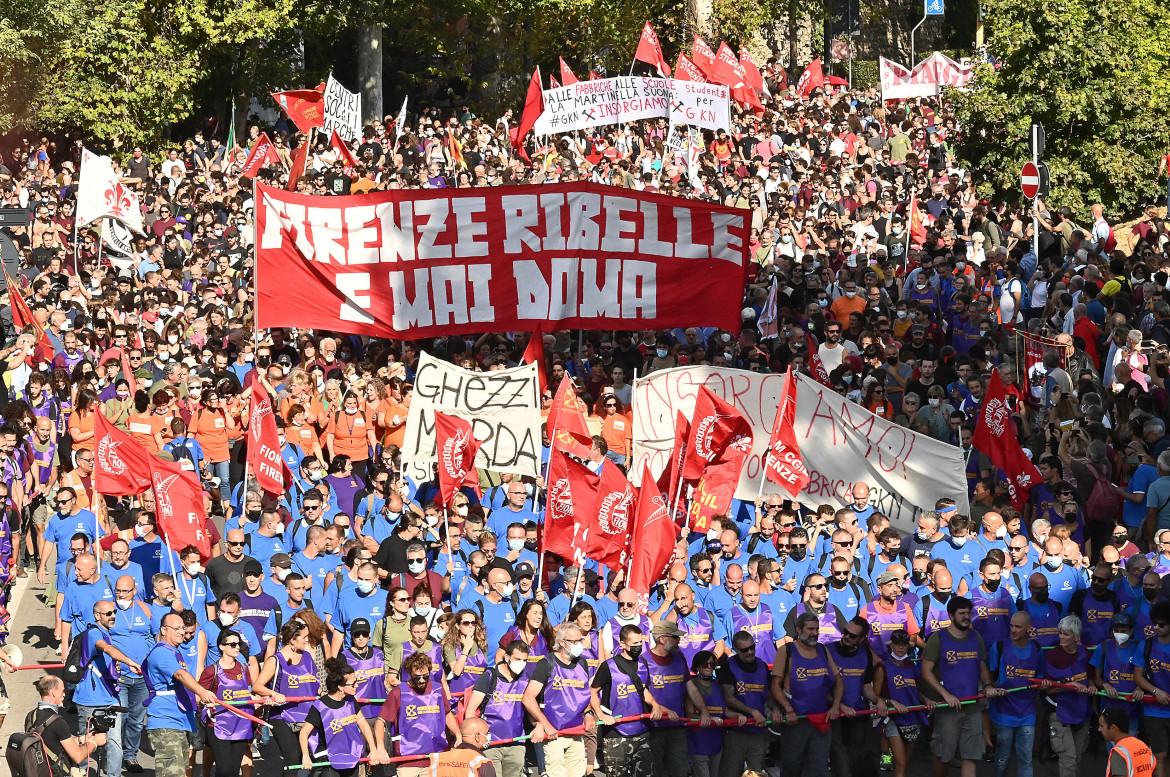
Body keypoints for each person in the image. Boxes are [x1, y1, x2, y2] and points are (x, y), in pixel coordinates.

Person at [920, 596, 1003, 777]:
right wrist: (946, 695)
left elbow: (981, 665)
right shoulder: (938, 638)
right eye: (962, 613)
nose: (966, 616)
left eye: (968, 613)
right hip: (947, 710)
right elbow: (926, 672)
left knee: (970, 756)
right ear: (951, 615)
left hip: (972, 708)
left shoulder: (976, 636)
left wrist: (988, 685)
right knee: (944, 757)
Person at [589, 624, 673, 777]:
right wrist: (600, 715)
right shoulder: (608, 666)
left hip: (642, 732)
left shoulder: (643, 664)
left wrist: (655, 705)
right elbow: (593, 691)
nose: (638, 646)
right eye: (634, 644)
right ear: (622, 644)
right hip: (616, 734)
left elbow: (643, 689)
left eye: (640, 642)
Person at [142, 612, 218, 777]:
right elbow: (181, 675)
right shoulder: (161, 652)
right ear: (163, 630)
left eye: (182, 628)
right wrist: (202, 691)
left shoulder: (173, 652)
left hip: (179, 721)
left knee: (181, 772)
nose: (181, 632)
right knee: (172, 774)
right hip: (166, 721)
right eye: (175, 628)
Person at [770, 611, 842, 777]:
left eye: (817, 629)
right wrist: (788, 710)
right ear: (798, 629)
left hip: (822, 720)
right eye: (810, 629)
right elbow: (775, 685)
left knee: (819, 768)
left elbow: (838, 679)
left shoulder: (822, 649)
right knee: (792, 766)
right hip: (797, 721)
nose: (815, 633)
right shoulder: (786, 650)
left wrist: (836, 705)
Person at [523, 622, 595, 777]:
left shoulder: (582, 663)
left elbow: (584, 693)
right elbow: (528, 698)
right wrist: (545, 725)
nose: (578, 645)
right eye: (574, 641)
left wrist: (588, 714)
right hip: (553, 733)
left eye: (580, 641)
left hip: (576, 732)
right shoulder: (546, 663)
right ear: (562, 642)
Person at [298, 657, 388, 777]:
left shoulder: (351, 701)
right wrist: (305, 756)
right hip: (329, 760)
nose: (357, 686)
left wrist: (373, 749)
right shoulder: (320, 706)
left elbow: (364, 725)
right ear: (340, 686)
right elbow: (304, 732)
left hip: (351, 758)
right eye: (353, 684)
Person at [376, 652, 460, 777]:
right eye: (417, 677)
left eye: (425, 676)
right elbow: (380, 721)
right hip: (408, 758)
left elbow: (447, 714)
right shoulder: (398, 692)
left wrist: (458, 735)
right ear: (410, 673)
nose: (421, 680)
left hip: (435, 755)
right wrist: (380, 748)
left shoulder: (438, 689)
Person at [256, 618, 321, 771]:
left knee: (309, 758)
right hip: (282, 715)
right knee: (293, 759)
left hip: (307, 713)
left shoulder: (307, 657)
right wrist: (274, 693)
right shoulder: (275, 660)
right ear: (292, 640)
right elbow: (257, 686)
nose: (307, 641)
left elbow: (314, 683)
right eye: (304, 638)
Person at [987, 611, 1047, 777]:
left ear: (1028, 628)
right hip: (1003, 712)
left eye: (1018, 627)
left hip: (1027, 712)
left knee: (1026, 758)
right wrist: (991, 688)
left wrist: (1042, 684)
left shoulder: (1036, 648)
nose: (1013, 630)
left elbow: (1040, 675)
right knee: (1002, 758)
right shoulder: (998, 647)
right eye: (1011, 626)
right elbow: (989, 678)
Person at [197, 629, 259, 777]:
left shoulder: (244, 668)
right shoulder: (211, 671)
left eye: (239, 644)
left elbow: (247, 694)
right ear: (221, 646)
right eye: (232, 644)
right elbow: (199, 696)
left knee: (232, 770)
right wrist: (206, 702)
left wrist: (260, 701)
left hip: (240, 725)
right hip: (219, 726)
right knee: (224, 770)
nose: (237, 647)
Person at [466, 639, 531, 777]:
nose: (521, 663)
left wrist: (538, 725)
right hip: (490, 743)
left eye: (525, 660)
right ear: (507, 657)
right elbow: (471, 708)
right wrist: (473, 738)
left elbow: (532, 708)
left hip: (516, 742)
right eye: (517, 659)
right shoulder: (490, 676)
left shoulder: (526, 679)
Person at [429, 717, 498, 777]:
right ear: (477, 736)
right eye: (486, 733)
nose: (488, 736)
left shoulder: (438, 759)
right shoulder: (481, 763)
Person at [1099, 707, 1156, 777]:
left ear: (1113, 727)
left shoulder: (1120, 752)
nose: (1099, 729)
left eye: (1102, 726)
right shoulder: (1144, 747)